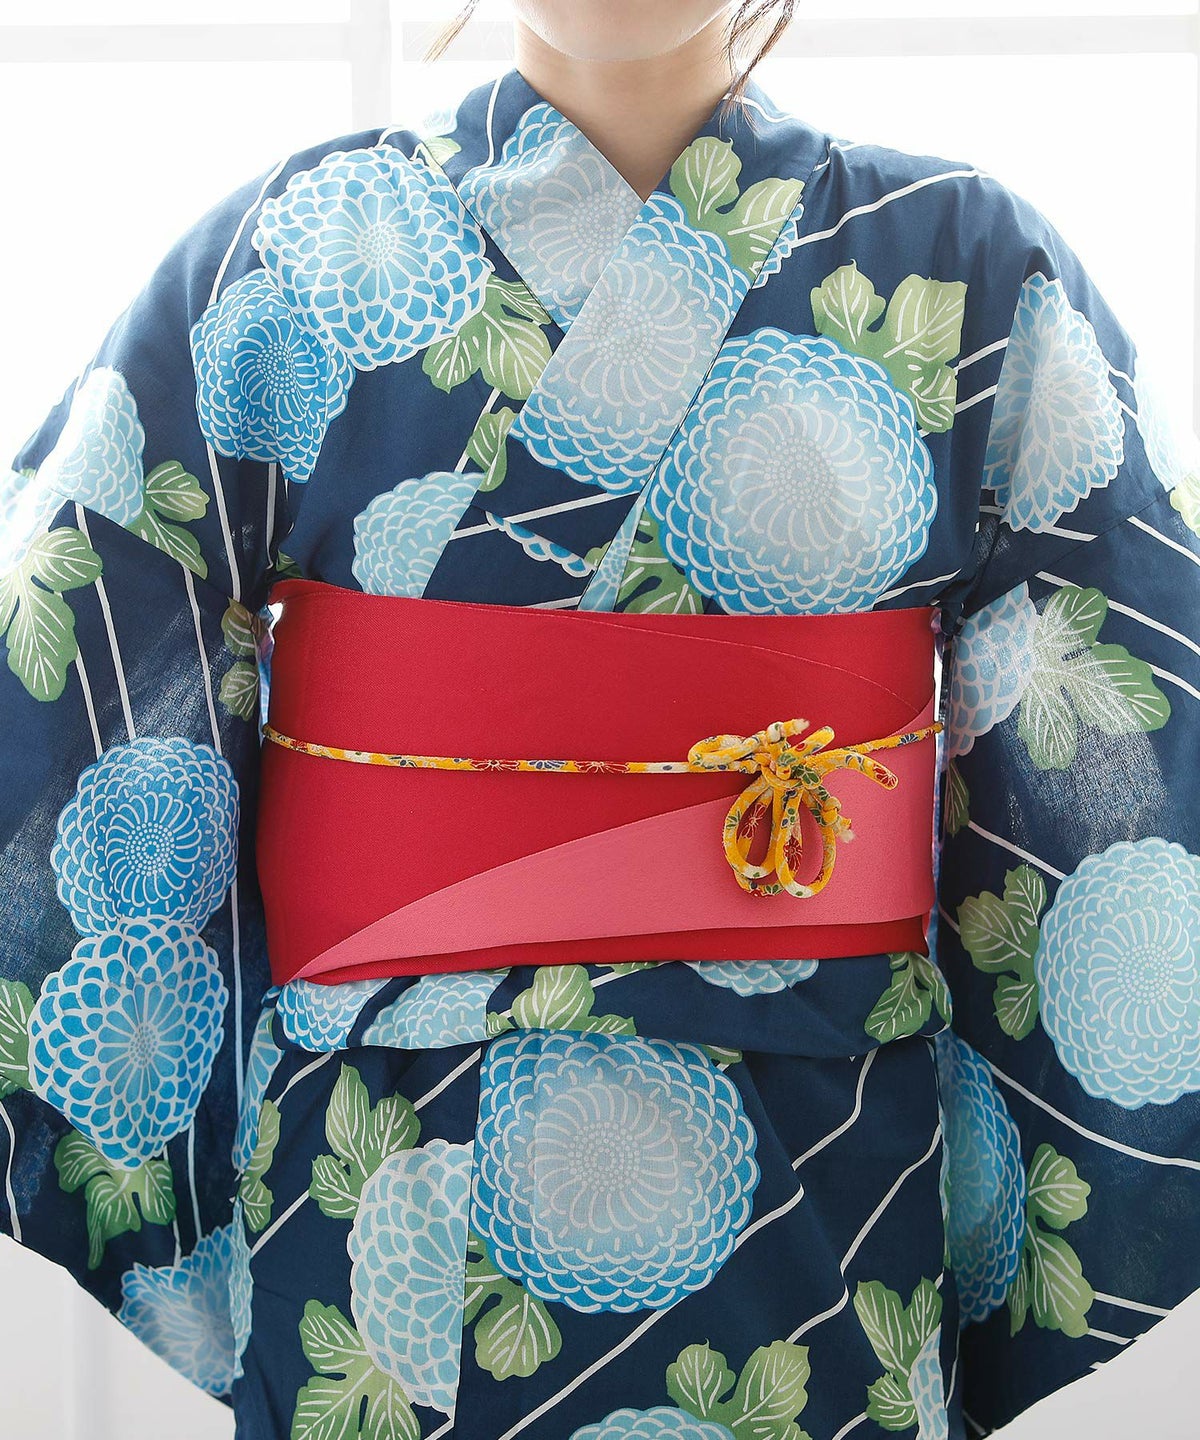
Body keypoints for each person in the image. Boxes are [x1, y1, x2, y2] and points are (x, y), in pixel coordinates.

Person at [1, 2, 1197, 1437]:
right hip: (381, 1178)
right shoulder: (295, 255)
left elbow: (1116, 750)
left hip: (823, 1172)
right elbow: (72, 655)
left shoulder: (966, 263)